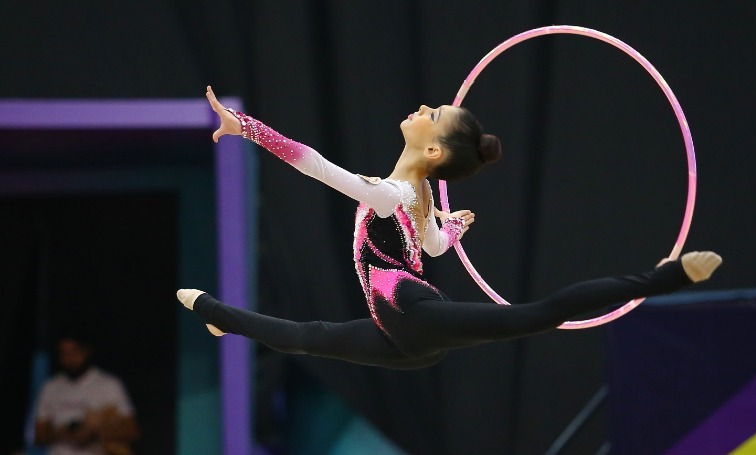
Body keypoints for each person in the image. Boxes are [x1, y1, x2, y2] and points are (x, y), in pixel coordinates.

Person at [177, 86, 722, 370]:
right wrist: (454, 223)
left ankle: (664, 279)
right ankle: (227, 322)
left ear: (433, 148)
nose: (422, 107)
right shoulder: (413, 201)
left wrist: (247, 127)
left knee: (539, 315)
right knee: (308, 338)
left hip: (412, 316)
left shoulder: (392, 195)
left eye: (431, 113)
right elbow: (433, 246)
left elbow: (313, 162)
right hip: (406, 334)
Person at [32, 334, 139, 455]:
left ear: (86, 351)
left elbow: (131, 430)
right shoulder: (50, 387)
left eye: (74, 352)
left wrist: (93, 432)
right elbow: (38, 435)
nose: (70, 358)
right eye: (64, 353)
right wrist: (63, 433)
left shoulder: (108, 384)